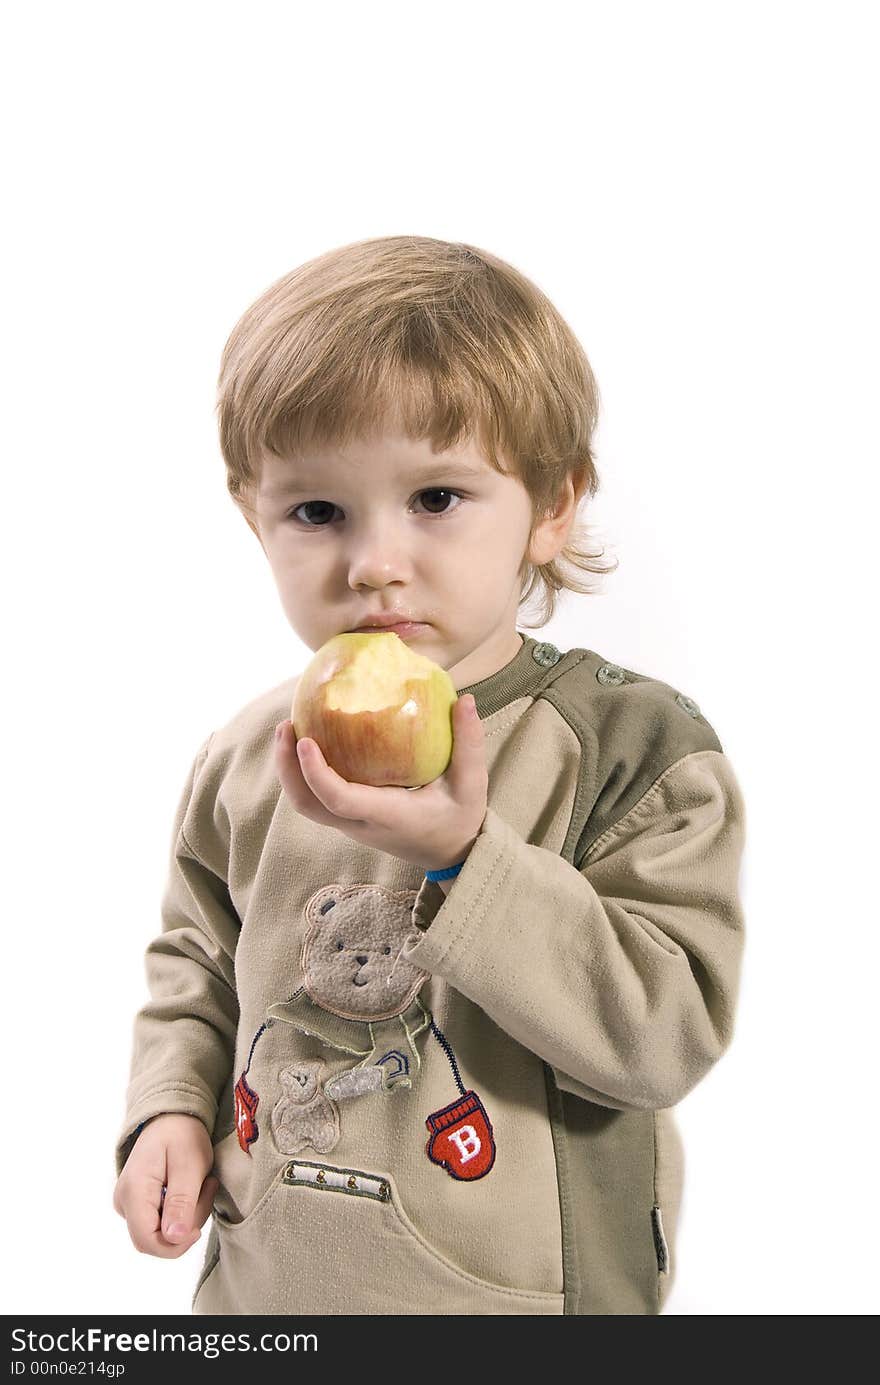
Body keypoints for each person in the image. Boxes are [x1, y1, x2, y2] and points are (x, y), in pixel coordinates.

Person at [113, 234, 746, 1315]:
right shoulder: (244, 752)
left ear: (552, 505)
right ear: (253, 515)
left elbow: (661, 1035)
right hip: (264, 1295)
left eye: (437, 498)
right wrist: (168, 1105)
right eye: (317, 511)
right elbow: (197, 957)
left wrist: (463, 856)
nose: (373, 562)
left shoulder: (634, 749)